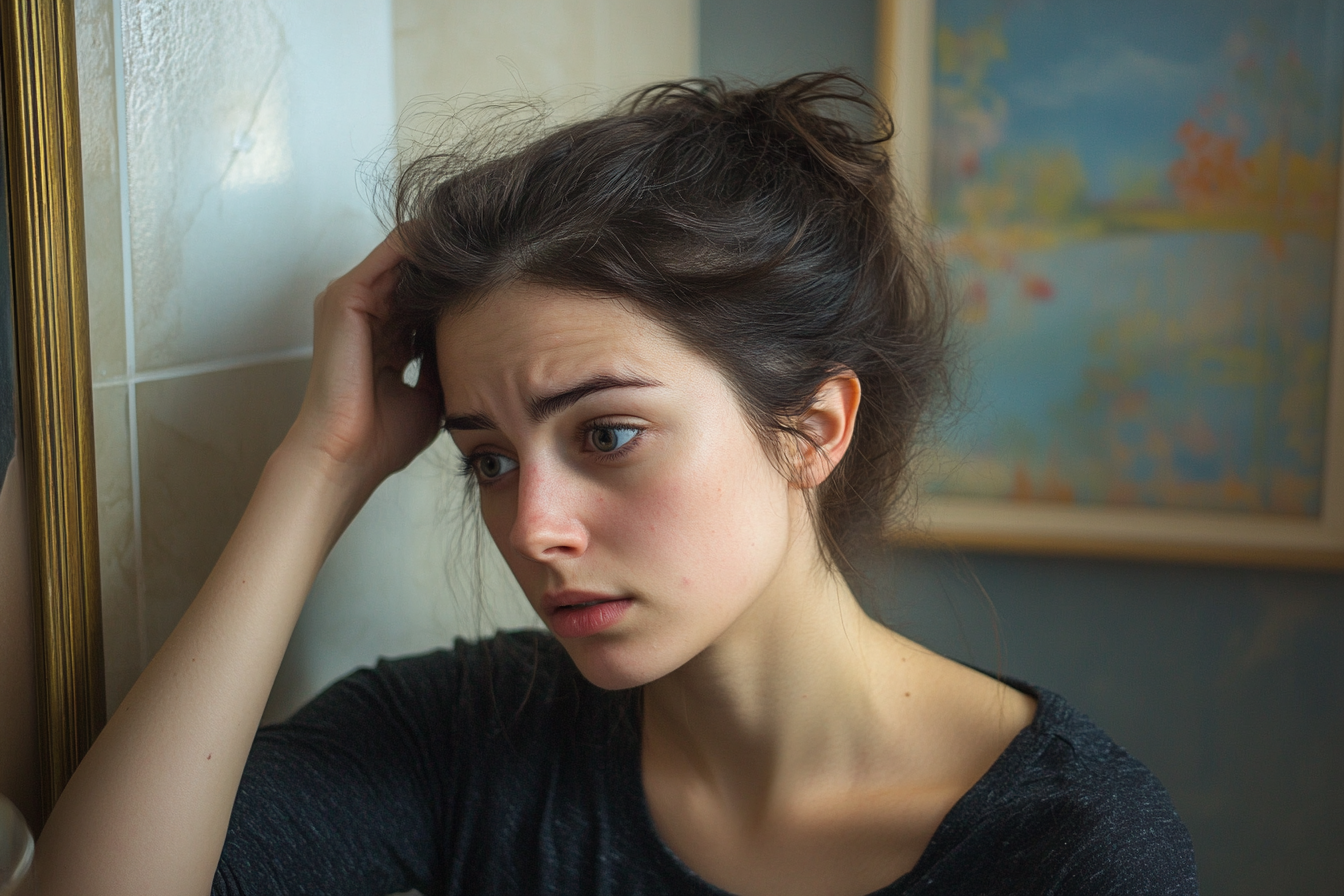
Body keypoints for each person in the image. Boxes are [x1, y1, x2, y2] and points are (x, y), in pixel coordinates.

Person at [33, 73, 1197, 895]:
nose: (531, 528)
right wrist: (321, 464)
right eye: (486, 457)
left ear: (811, 426)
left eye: (608, 435)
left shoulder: (1072, 843)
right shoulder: (469, 736)